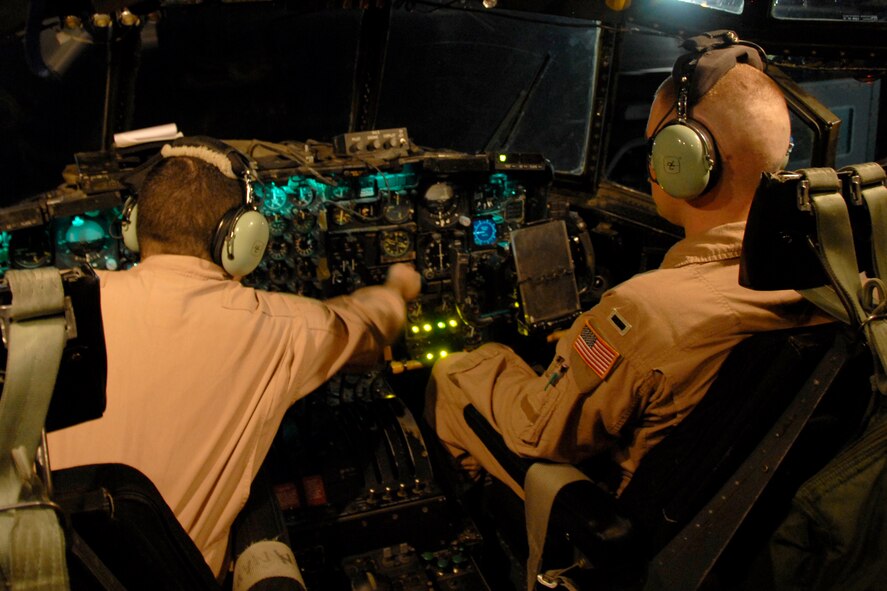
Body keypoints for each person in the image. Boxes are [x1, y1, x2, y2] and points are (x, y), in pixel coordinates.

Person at [425, 35, 827, 499]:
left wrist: (484, 357)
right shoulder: (833, 275)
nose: (652, 161)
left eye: (657, 146)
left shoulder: (644, 314)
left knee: (452, 378)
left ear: (685, 161)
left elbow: (536, 431)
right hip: (740, 509)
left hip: (619, 525)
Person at [47, 139, 421, 578]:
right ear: (241, 238)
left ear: (132, 226)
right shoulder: (283, 328)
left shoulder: (54, 309)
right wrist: (398, 288)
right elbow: (370, 327)